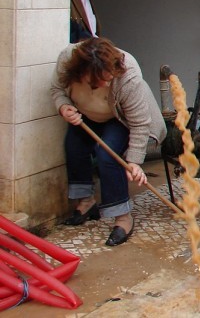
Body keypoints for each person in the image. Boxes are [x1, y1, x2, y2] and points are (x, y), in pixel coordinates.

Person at [50, 38, 167, 247]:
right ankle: (86, 202)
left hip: (119, 118)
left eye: (108, 78)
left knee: (108, 155)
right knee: (74, 145)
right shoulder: (67, 61)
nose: (106, 83)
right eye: (99, 80)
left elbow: (140, 124)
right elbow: (57, 90)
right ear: (83, 72)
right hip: (85, 114)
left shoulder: (128, 75)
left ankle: (123, 218)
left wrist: (134, 162)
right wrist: (64, 107)